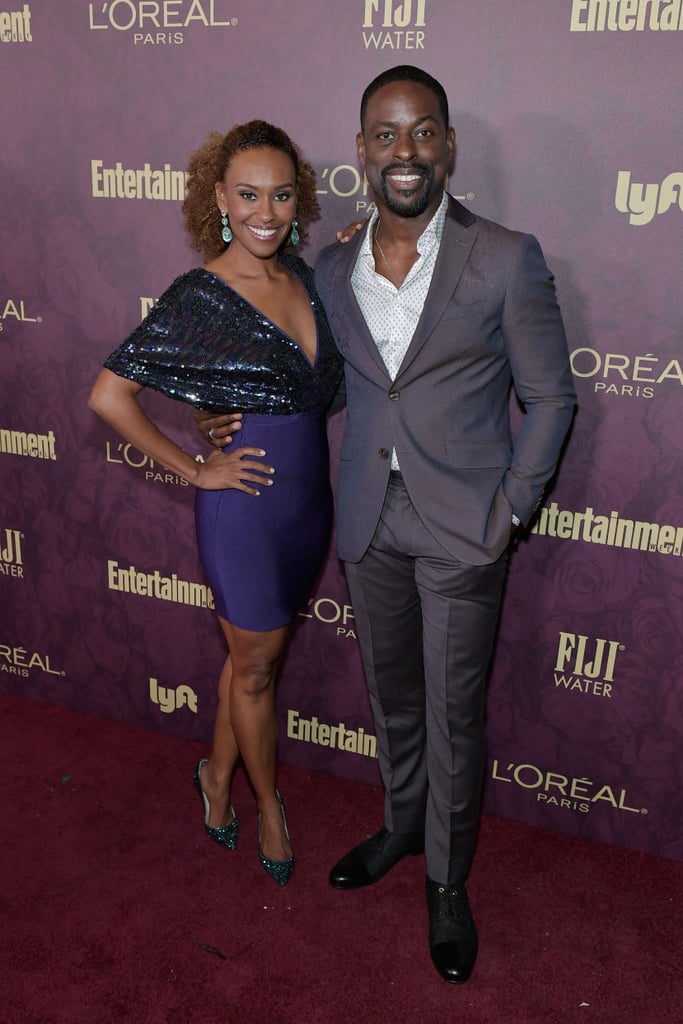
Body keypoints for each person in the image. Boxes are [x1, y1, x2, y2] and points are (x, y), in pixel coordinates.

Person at [198, 66, 576, 981]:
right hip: (365, 519)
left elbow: (551, 397)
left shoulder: (505, 255)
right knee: (394, 698)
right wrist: (221, 420)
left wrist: (510, 513)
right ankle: (404, 827)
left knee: (452, 713)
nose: (402, 151)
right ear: (361, 151)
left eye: (421, 133)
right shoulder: (328, 267)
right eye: (383, 134)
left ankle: (447, 883)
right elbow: (301, 379)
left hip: (464, 525)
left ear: (445, 145)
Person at [88, 121, 343, 887]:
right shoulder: (200, 295)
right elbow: (109, 395)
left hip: (308, 510)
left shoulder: (308, 280)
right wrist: (193, 468)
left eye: (280, 194)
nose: (263, 211)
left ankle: (212, 775)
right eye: (246, 195)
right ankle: (267, 804)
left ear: (297, 200)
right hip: (244, 510)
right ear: (219, 201)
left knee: (250, 661)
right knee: (258, 670)